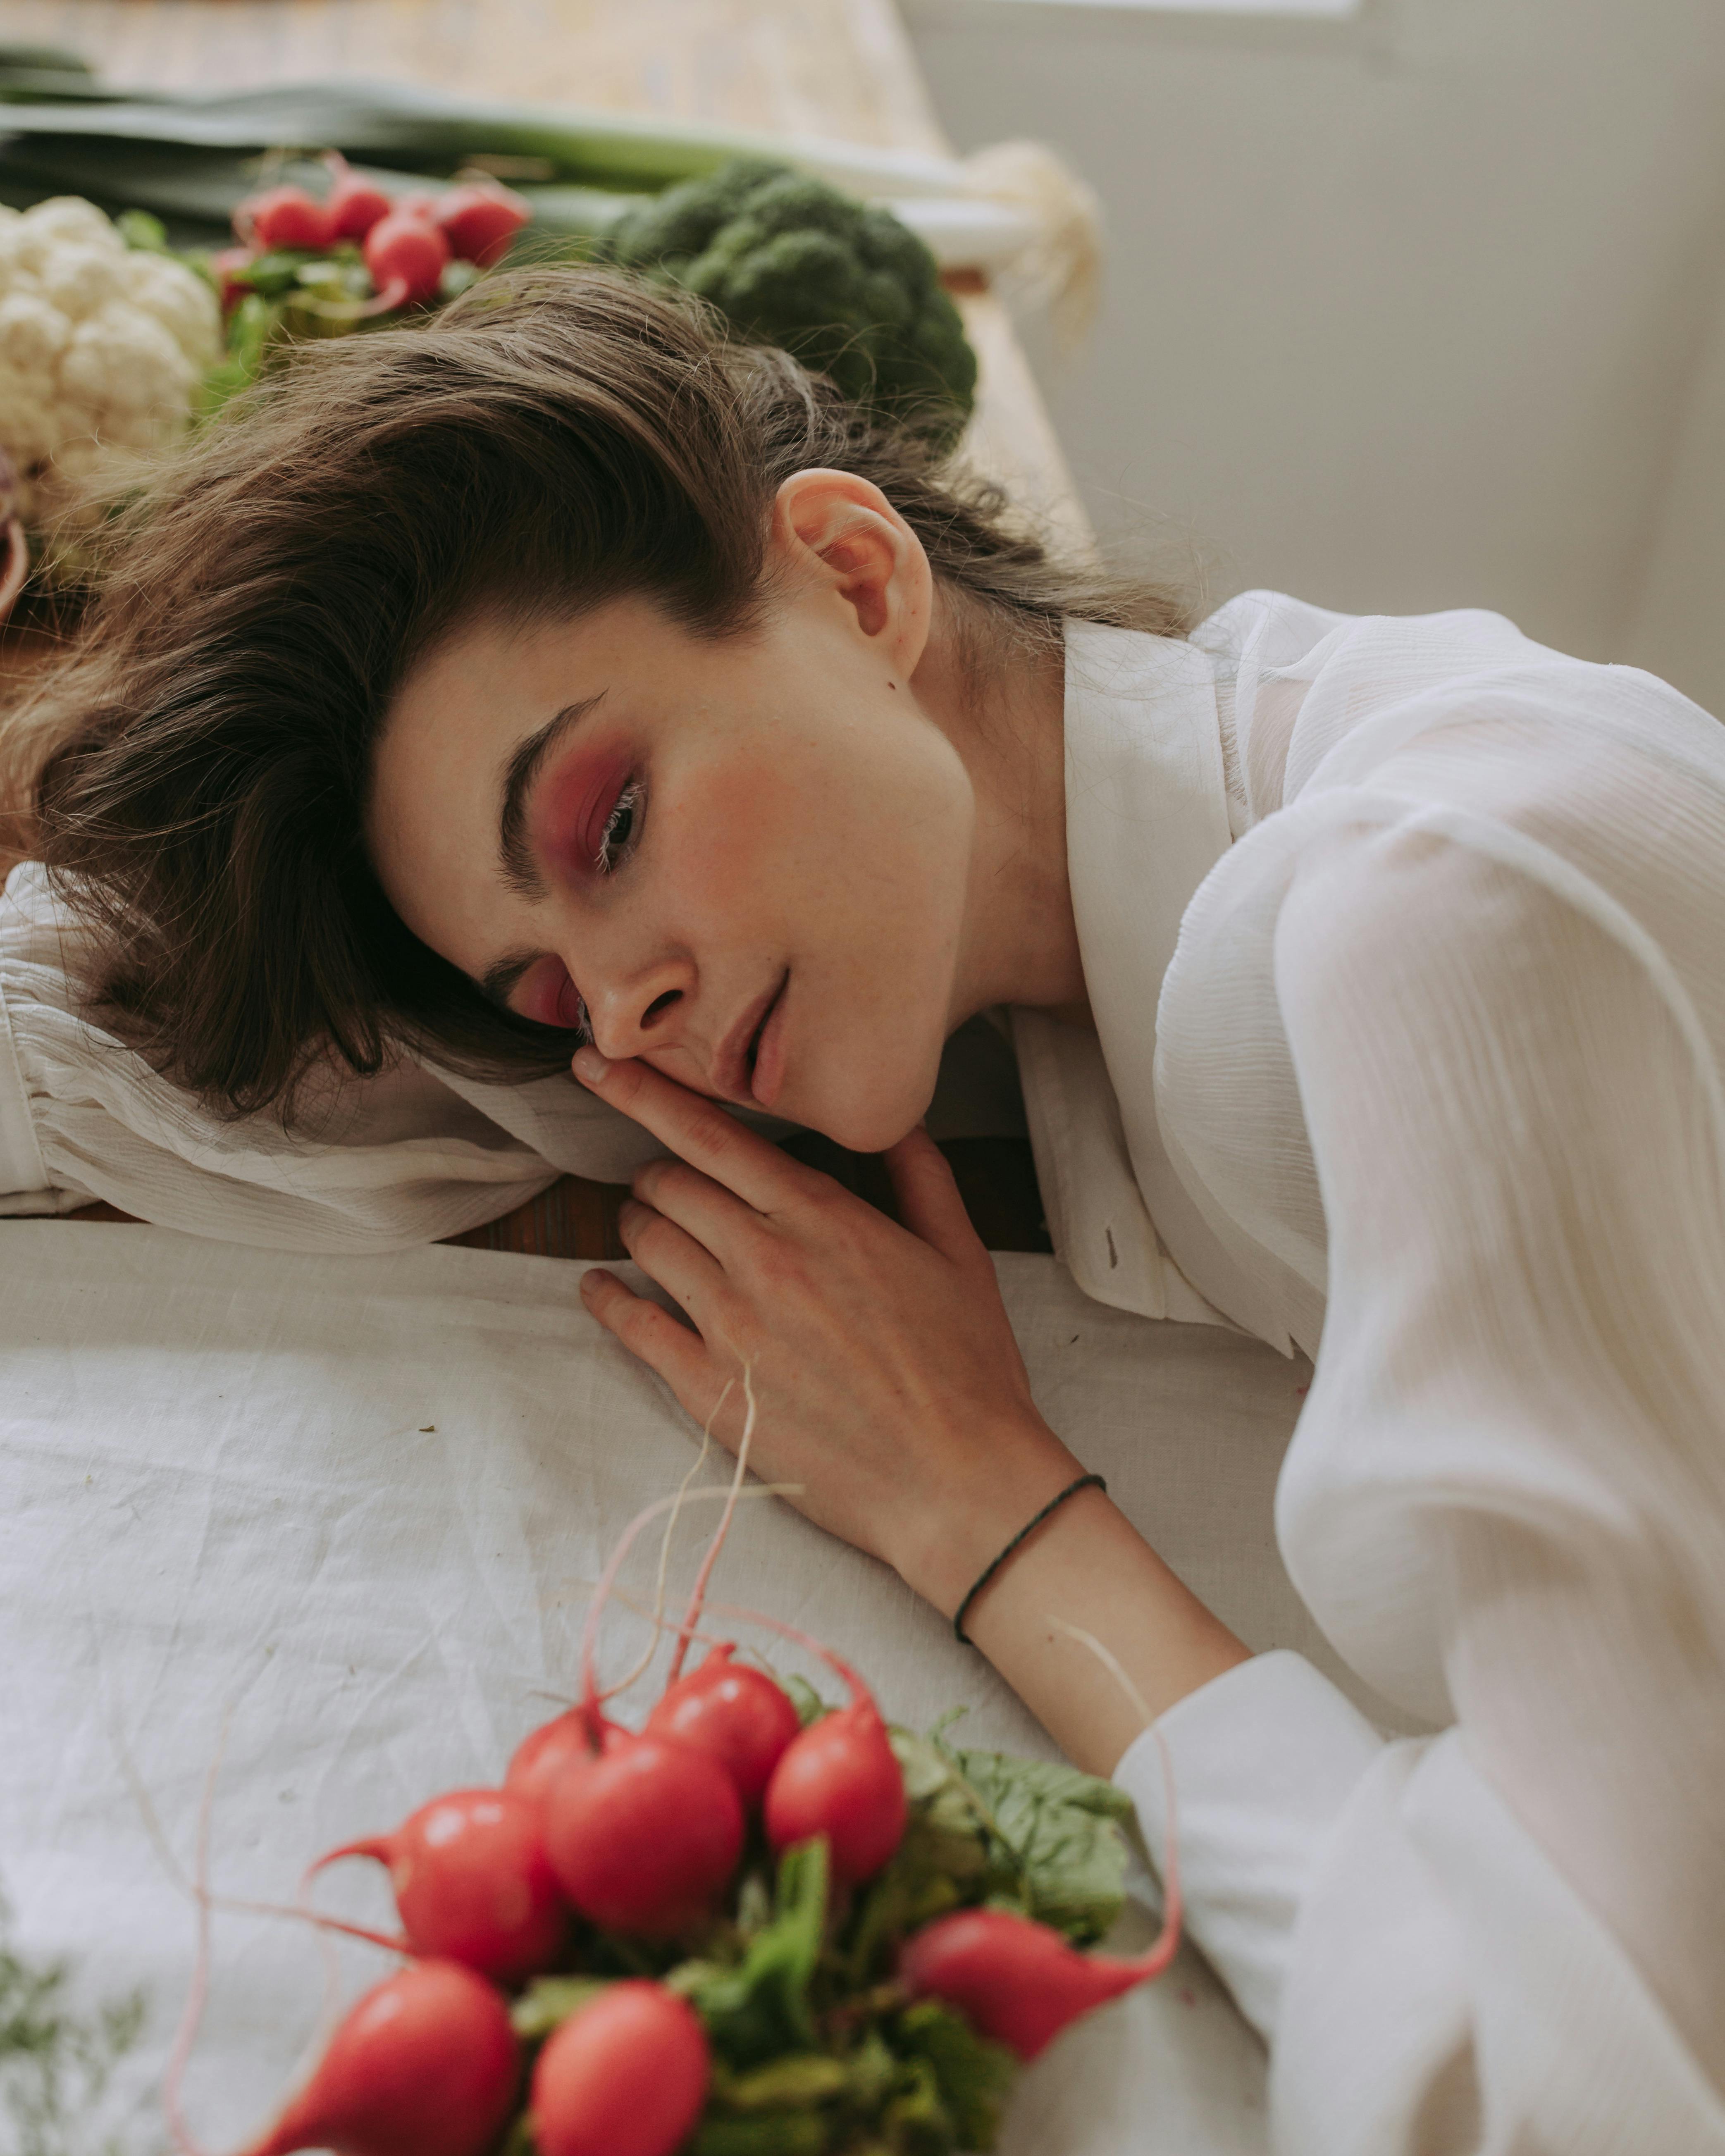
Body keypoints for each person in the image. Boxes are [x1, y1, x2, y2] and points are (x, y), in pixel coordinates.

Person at [3, 270, 1723, 2152]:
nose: (619, 1026)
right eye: (545, 988)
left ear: (853, 578)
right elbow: (242, 1079)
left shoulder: (1437, 918)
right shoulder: (1031, 900)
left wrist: (991, 1512)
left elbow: (1601, 2079)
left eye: (612, 824)